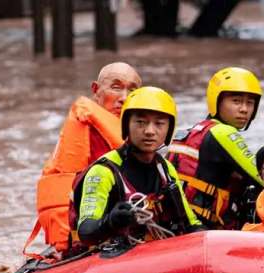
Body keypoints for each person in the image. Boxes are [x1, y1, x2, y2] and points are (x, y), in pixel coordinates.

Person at [26, 62, 142, 256]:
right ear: (96, 90)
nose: (124, 98)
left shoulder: (138, 133)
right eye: (116, 87)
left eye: (132, 90)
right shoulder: (87, 128)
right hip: (86, 233)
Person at [69, 86, 202, 249]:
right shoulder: (104, 171)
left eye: (159, 123)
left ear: (169, 130)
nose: (149, 131)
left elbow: (191, 223)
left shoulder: (165, 169)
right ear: (126, 126)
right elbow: (86, 232)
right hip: (108, 260)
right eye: (140, 122)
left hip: (154, 254)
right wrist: (112, 221)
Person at [167, 66, 264, 229]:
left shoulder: (195, 131)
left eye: (250, 103)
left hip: (177, 226)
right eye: (236, 101)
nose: (244, 109)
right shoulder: (223, 133)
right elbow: (263, 176)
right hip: (205, 231)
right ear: (216, 101)